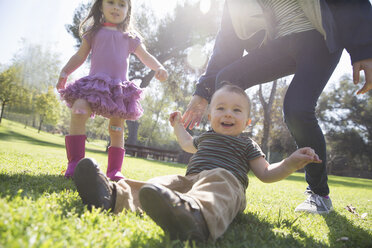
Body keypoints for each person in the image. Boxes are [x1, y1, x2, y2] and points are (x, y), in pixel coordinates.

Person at [182, 0, 372, 214]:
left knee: (297, 109)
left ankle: (319, 194)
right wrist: (203, 92)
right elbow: (227, 41)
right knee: (228, 77)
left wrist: (364, 48)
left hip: (318, 36)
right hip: (277, 43)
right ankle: (217, 171)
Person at [72, 84, 322, 242]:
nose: (227, 113)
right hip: (189, 181)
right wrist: (178, 125)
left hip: (226, 184)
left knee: (218, 181)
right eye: (221, 108)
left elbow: (266, 173)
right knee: (159, 184)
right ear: (211, 115)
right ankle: (112, 196)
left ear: (247, 121)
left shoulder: (248, 144)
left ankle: (196, 216)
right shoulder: (205, 137)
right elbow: (186, 143)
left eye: (236, 111)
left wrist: (289, 163)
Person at [56, 0, 168, 180]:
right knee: (78, 110)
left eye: (122, 4)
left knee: (116, 129)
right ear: (101, 6)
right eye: (111, 2)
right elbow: (79, 56)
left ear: (127, 10)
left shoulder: (130, 36)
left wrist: (158, 67)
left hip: (118, 90)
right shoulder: (93, 33)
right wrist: (65, 72)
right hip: (93, 86)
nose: (116, 7)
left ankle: (114, 171)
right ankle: (75, 164)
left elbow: (145, 56)